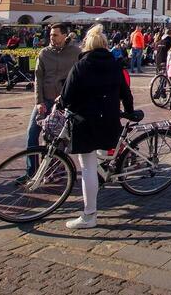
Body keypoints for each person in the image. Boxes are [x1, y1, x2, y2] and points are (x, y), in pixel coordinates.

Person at [53, 24, 136, 228]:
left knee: (87, 167)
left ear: (87, 45)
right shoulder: (115, 65)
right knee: (100, 155)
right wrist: (131, 111)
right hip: (109, 120)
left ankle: (89, 215)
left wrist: (61, 103)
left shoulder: (81, 65)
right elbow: (125, 93)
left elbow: (67, 95)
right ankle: (106, 176)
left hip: (85, 121)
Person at [26, 23, 81, 176]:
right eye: (50, 35)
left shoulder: (76, 52)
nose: (52, 37)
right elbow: (38, 78)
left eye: (55, 35)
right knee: (32, 133)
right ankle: (31, 171)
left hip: (63, 103)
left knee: (57, 138)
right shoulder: (44, 53)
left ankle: (54, 169)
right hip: (45, 100)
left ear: (65, 35)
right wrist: (38, 102)